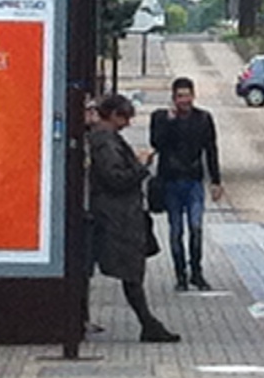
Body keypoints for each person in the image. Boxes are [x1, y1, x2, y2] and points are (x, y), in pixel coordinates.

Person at [87, 92, 179, 343]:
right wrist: (141, 165)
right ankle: (148, 323)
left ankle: (148, 322)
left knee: (128, 270)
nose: (127, 123)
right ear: (114, 115)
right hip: (117, 215)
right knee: (131, 270)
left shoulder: (105, 138)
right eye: (125, 117)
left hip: (118, 213)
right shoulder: (105, 141)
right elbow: (115, 179)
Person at [149, 76, 225, 291]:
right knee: (175, 232)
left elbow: (211, 149)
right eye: (180, 96)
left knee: (196, 227)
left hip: (193, 181)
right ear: (173, 98)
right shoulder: (161, 118)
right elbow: (157, 143)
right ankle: (180, 275)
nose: (185, 100)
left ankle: (197, 272)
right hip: (171, 182)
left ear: (194, 95)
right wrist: (170, 122)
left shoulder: (203, 119)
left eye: (188, 95)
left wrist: (216, 180)